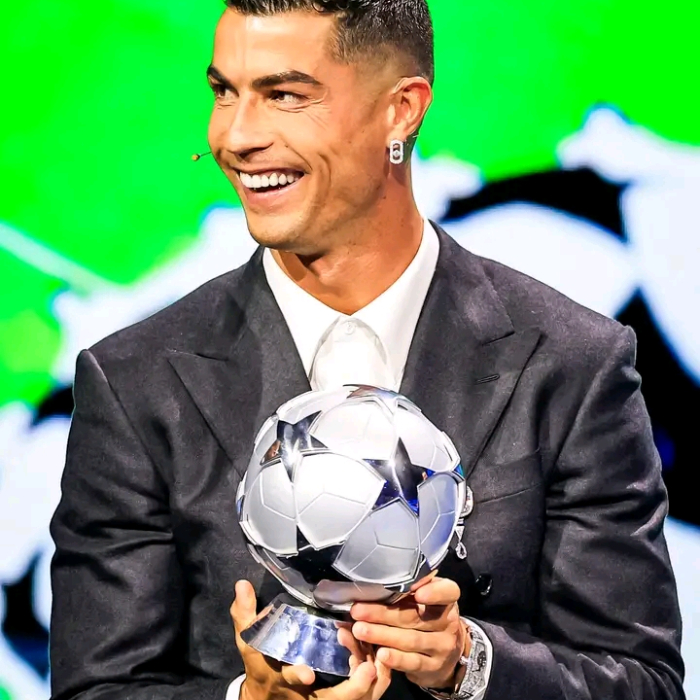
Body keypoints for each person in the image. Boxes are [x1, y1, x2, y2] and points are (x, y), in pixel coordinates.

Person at [49, 1, 685, 699]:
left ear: (400, 111)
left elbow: (643, 683)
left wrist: (468, 664)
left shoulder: (574, 364)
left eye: (285, 95)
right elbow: (97, 689)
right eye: (224, 92)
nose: (235, 135)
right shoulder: (134, 383)